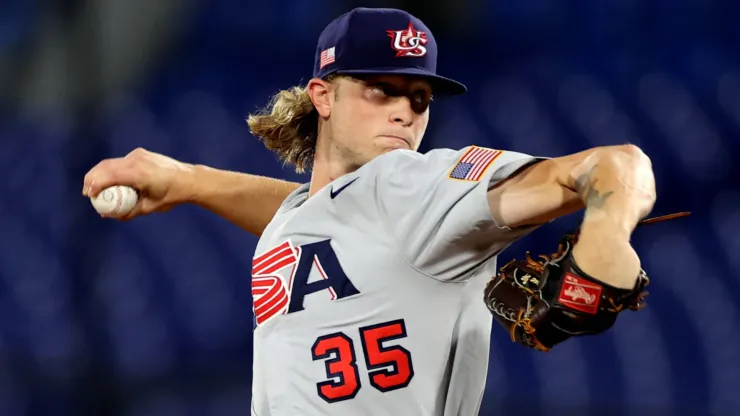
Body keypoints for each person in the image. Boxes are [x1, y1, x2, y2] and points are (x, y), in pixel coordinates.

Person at [83, 7, 656, 416]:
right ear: (323, 96)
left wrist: (607, 230)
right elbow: (314, 219)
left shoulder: (414, 182)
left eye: (419, 98)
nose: (405, 112)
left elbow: (616, 164)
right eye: (381, 89)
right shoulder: (323, 215)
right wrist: (189, 180)